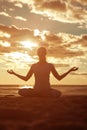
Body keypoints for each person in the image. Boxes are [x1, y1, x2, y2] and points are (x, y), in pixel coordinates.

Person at [7, 47, 78, 97]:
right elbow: (26, 78)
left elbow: (59, 78)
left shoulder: (50, 65)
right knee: (20, 91)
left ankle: (39, 95)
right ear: (38, 54)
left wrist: (69, 70)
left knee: (58, 93)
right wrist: (14, 73)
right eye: (39, 52)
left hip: (47, 90)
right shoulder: (34, 66)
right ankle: (39, 95)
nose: (41, 54)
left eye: (42, 52)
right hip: (36, 90)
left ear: (45, 53)